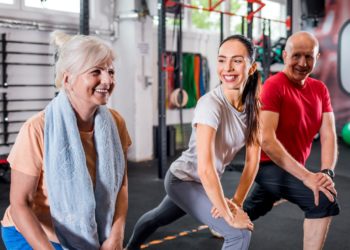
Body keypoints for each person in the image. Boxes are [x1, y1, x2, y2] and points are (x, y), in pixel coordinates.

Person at [126, 34, 261, 250]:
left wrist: (236, 202)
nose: (228, 67)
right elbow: (205, 168)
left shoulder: (254, 108)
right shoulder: (210, 105)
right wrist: (228, 214)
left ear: (251, 68)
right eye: (221, 59)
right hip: (183, 180)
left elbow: (252, 161)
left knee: (156, 218)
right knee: (239, 234)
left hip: (204, 183)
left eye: (237, 60)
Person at [1, 31, 131, 250]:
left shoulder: (116, 123)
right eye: (96, 72)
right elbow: (20, 205)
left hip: (92, 233)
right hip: (33, 234)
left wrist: (116, 236)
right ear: (68, 79)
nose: (108, 80)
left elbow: (122, 185)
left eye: (110, 71)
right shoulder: (37, 129)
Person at [243, 31, 340, 250]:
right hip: (267, 164)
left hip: (292, 165)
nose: (302, 63)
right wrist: (308, 178)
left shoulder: (319, 89)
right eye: (296, 55)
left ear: (316, 58)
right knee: (322, 200)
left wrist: (326, 173)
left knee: (258, 204)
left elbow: (328, 134)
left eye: (309, 57)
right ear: (285, 56)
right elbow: (266, 140)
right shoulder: (274, 86)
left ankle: (224, 223)